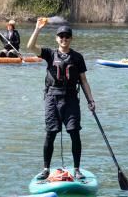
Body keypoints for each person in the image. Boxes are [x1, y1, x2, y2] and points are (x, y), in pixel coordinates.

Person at [27, 19, 96, 182]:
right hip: (52, 98)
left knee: (74, 133)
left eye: (67, 37)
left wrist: (91, 100)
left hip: (71, 99)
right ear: (57, 39)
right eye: (61, 36)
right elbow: (30, 47)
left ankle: (77, 169)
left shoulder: (78, 57)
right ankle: (45, 169)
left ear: (71, 39)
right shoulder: (50, 54)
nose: (64, 39)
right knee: (50, 133)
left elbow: (84, 80)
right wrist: (37, 29)